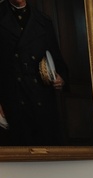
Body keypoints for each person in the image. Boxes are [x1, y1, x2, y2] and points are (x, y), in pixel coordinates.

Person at [0, 0, 68, 146]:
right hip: (11, 102)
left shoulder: (43, 20)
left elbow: (58, 62)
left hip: (41, 102)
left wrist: (60, 78)